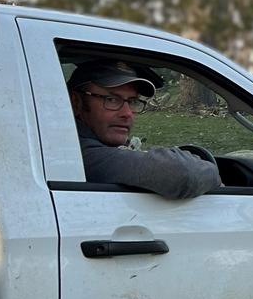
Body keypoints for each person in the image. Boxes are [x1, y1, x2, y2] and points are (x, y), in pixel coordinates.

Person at [67, 59, 223, 198]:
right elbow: (182, 173)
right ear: (76, 103)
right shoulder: (79, 154)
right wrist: (213, 173)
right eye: (112, 99)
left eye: (133, 101)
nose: (127, 113)